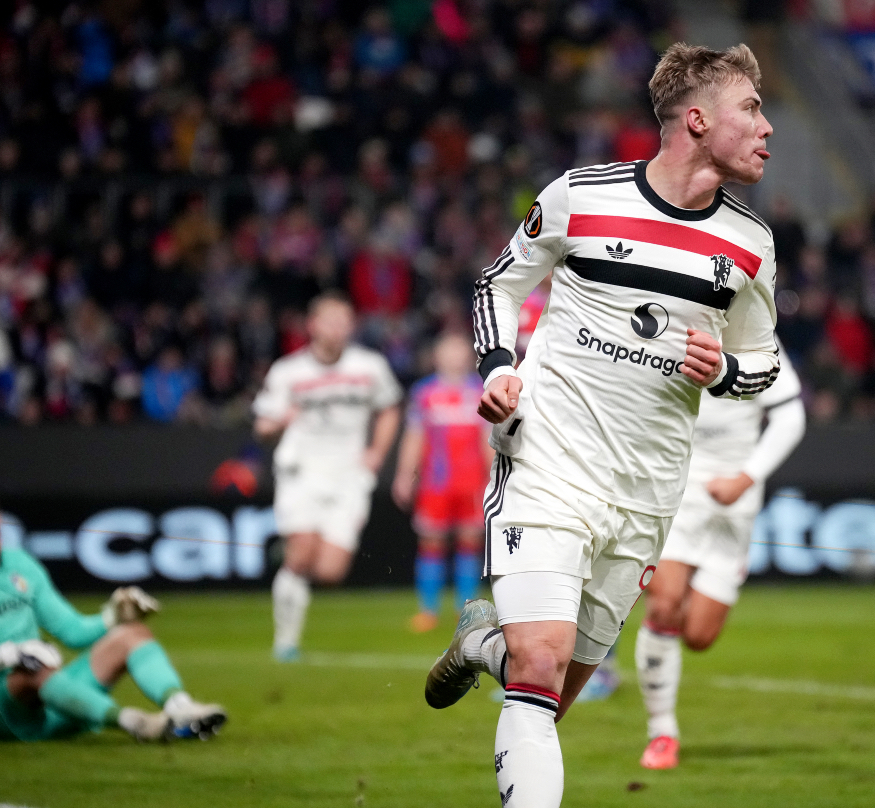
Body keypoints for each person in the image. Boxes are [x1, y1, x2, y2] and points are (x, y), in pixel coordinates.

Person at [424, 43, 780, 808]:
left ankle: (483, 643)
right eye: (750, 108)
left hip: (648, 494)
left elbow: (764, 366)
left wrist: (722, 370)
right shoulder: (580, 195)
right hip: (550, 459)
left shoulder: (751, 247)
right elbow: (498, 283)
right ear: (696, 119)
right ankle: (509, 651)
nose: (767, 126)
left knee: (551, 693)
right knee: (542, 664)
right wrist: (496, 370)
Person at [0, 481, 225, 742]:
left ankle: (179, 708)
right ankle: (136, 723)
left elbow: (71, 631)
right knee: (32, 669)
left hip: (51, 700)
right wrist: (9, 654)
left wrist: (113, 617)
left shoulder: (20, 564)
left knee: (132, 634)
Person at [635, 348, 805, 769]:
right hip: (677, 491)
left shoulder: (757, 340)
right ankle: (662, 733)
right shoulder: (673, 326)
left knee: (698, 636)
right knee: (664, 602)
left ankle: (676, 615)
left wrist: (746, 478)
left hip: (734, 504)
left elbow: (791, 417)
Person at [254, 292, 402, 661]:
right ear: (312, 325)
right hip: (301, 471)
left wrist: (377, 453)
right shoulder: (289, 371)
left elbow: (389, 409)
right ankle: (285, 642)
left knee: (331, 570)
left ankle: (284, 558)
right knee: (303, 556)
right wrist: (276, 423)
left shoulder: (369, 366)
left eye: (344, 321)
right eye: (329, 320)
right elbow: (262, 427)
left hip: (349, 474)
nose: (337, 328)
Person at [392, 332, 493, 632]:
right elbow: (414, 436)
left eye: (459, 350)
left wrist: (495, 478)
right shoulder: (424, 393)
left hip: (472, 482)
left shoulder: (480, 391)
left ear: (469, 356)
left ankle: (466, 610)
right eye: (447, 350)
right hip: (436, 484)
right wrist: (405, 475)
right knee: (431, 542)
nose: (453, 357)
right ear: (437, 356)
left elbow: (487, 438)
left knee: (469, 543)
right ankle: (428, 610)